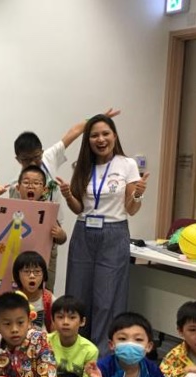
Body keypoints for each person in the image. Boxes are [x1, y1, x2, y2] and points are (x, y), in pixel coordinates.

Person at [58, 114, 149, 350]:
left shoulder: (126, 164)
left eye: (105, 134)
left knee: (106, 300)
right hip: (83, 231)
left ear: (114, 136)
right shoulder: (82, 166)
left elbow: (132, 208)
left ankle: (100, 357)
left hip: (114, 232)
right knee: (78, 296)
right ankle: (75, 351)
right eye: (94, 135)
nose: (100, 139)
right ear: (88, 140)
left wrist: (138, 193)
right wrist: (68, 195)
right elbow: (79, 207)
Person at [11, 109, 121, 202]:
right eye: (26, 159)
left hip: (55, 224)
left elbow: (74, 132)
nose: (33, 163)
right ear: (18, 159)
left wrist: (96, 119)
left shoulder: (49, 157)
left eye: (36, 157)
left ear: (42, 152)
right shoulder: (16, 184)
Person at [13, 165, 67, 291]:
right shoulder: (12, 208)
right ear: (18, 188)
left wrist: (60, 234)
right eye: (26, 182)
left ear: (44, 190)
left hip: (44, 262)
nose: (31, 186)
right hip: (19, 258)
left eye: (36, 183)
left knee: (45, 293)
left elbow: (62, 238)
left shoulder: (49, 209)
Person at [47, 295, 97, 377]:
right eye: (60, 317)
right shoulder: (45, 341)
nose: (65, 322)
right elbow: (35, 374)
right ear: (52, 320)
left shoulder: (90, 350)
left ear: (82, 321)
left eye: (72, 317)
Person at [12, 250, 53, 331]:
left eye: (37, 271)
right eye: (26, 271)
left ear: (44, 274)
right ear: (17, 275)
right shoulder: (12, 300)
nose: (32, 276)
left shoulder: (50, 300)